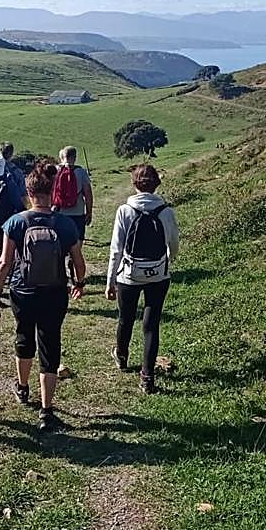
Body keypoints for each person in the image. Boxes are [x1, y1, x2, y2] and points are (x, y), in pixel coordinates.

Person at [0, 158, 86, 432]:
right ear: (52, 191)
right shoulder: (65, 224)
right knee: (50, 344)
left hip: (22, 290)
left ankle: (22, 388)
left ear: (29, 193)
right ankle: (46, 410)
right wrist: (79, 282)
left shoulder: (14, 223)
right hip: (55, 292)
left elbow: (5, 263)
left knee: (24, 336)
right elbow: (78, 261)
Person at [105, 164, 180, 394]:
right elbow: (174, 244)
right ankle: (147, 377)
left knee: (125, 318)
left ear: (134, 184)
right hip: (158, 274)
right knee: (151, 326)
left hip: (129, 274)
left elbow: (116, 249)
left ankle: (122, 356)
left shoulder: (125, 211)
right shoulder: (166, 211)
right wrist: (167, 261)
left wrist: (110, 281)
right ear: (157, 183)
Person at [51, 145, 93, 242]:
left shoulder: (55, 171)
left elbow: (50, 192)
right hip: (77, 212)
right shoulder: (81, 172)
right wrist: (89, 212)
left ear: (63, 156)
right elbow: (88, 194)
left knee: (60, 241)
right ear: (74, 157)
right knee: (77, 241)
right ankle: (74, 257)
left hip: (59, 212)